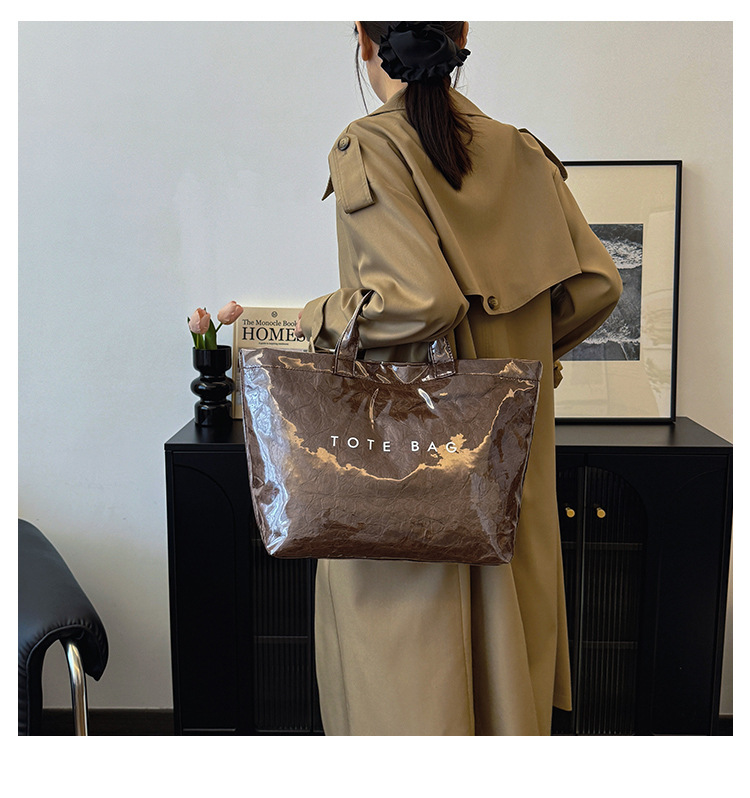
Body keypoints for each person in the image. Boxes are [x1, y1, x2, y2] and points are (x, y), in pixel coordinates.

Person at [295, 21, 622, 736]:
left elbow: (420, 300)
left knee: (408, 687)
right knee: (506, 681)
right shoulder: (522, 151)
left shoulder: (370, 144)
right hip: (510, 462)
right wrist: (520, 353)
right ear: (462, 34)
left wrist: (318, 316)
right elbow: (599, 285)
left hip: (407, 466)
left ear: (365, 39)